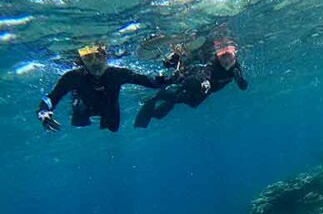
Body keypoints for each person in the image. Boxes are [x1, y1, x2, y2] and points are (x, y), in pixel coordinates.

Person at [37, 44, 166, 133]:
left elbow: (149, 82)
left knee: (112, 129)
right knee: (78, 123)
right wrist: (43, 113)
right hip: (84, 106)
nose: (94, 62)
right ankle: (76, 99)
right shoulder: (73, 77)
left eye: (98, 56)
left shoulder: (118, 74)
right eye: (88, 58)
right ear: (82, 61)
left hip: (109, 106)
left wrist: (169, 79)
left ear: (105, 56)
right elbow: (52, 98)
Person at [134, 41, 248, 129]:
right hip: (198, 83)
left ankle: (159, 103)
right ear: (219, 58)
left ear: (234, 57)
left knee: (191, 102)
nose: (227, 65)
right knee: (183, 93)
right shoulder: (215, 62)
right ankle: (158, 96)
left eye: (230, 61)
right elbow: (206, 70)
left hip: (207, 90)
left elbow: (243, 86)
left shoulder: (235, 68)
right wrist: (205, 81)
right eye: (224, 61)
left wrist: (240, 79)